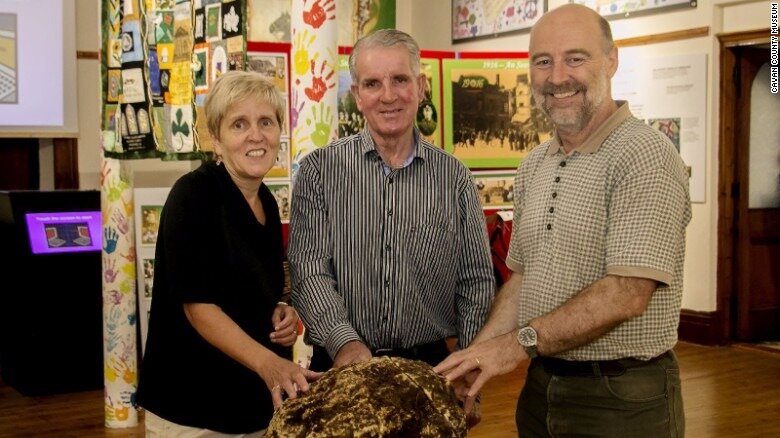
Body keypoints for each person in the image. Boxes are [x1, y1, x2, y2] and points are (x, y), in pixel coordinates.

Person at [435, 4, 691, 437]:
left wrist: (514, 346)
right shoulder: (534, 164)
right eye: (543, 61)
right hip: (541, 389)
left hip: (621, 399)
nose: (557, 77)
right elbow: (522, 280)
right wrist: (474, 360)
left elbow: (626, 293)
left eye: (575, 58)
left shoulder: (645, 155)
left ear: (611, 60)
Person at [288, 29, 494, 374]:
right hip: (341, 361)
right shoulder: (319, 172)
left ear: (421, 86)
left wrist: (467, 361)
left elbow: (475, 280)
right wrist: (344, 341)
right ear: (357, 95)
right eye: (372, 84)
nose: (388, 96)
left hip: (431, 367)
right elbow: (309, 269)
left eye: (400, 79)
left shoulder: (454, 177)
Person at [136, 71, 320, 436]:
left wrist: (281, 310)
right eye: (239, 124)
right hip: (193, 411)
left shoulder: (265, 200)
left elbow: (250, 289)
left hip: (251, 407)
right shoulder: (193, 195)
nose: (256, 135)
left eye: (265, 122)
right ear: (216, 141)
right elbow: (199, 308)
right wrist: (270, 364)